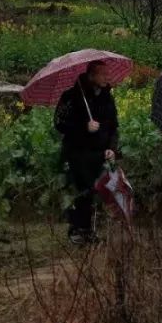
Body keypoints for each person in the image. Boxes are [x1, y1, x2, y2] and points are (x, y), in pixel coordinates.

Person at [54, 60, 120, 244]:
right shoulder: (71, 96)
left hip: (99, 153)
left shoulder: (107, 97)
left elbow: (114, 127)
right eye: (102, 73)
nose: (107, 77)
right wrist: (84, 127)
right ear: (91, 75)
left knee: (93, 191)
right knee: (80, 190)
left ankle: (88, 229)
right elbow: (59, 123)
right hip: (77, 152)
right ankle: (76, 230)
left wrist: (111, 148)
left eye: (107, 73)